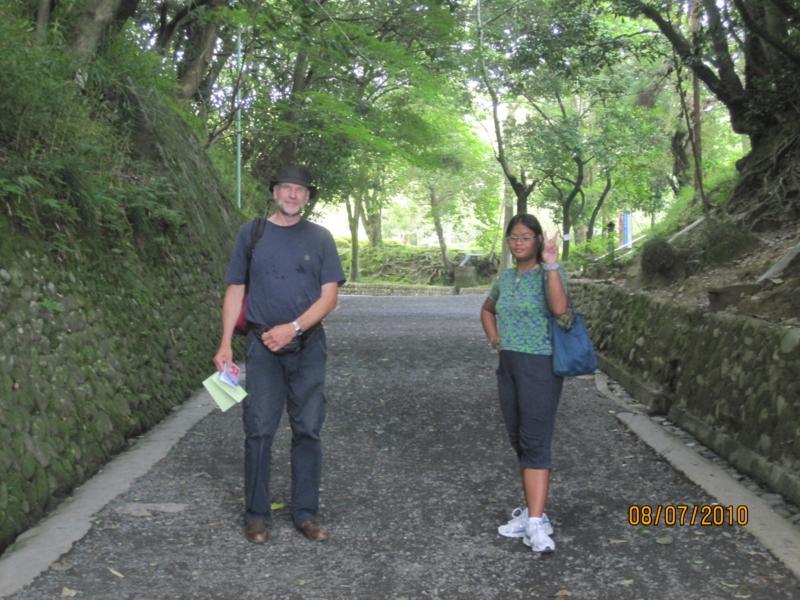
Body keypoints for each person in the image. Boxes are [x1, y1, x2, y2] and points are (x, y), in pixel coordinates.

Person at [213, 164, 345, 544]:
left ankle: (305, 513)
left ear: (308, 197)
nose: (292, 194)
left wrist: (294, 327)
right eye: (286, 187)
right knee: (258, 429)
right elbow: (236, 289)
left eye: (299, 189)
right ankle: (256, 514)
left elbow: (329, 296)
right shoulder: (252, 234)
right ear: (274, 192)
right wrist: (225, 343)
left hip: (308, 346)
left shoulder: (320, 238)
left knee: (308, 428)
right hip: (261, 346)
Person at [480, 213, 569, 553]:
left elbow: (559, 309)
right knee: (518, 437)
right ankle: (535, 513)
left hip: (540, 365)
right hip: (509, 364)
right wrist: (495, 338)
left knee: (535, 439)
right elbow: (487, 309)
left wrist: (551, 264)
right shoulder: (505, 278)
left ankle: (535, 524)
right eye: (513, 238)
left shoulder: (551, 274)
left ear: (538, 240)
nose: (518, 243)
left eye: (525, 237)